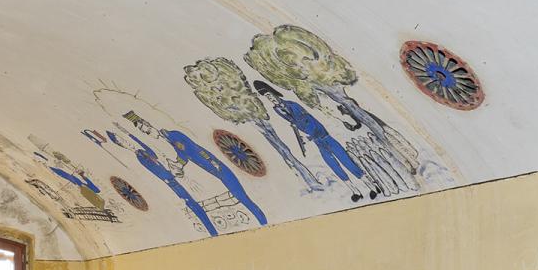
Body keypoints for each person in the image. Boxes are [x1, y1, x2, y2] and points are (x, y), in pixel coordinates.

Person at [125, 112, 267, 227]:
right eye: (145, 132)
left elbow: (194, 148)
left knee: (240, 195)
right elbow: (183, 156)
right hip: (204, 170)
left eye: (147, 129)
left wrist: (212, 161)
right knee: (232, 196)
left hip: (214, 166)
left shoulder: (174, 135)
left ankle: (262, 220)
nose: (149, 133)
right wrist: (178, 166)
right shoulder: (167, 142)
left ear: (149, 124)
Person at [251, 79, 366, 191]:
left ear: (275, 94)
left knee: (345, 159)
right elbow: (292, 121)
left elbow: (306, 120)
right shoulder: (277, 109)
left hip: (322, 135)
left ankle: (369, 184)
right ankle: (354, 190)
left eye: (270, 96)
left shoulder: (292, 104)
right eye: (268, 98)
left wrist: (306, 131)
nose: (271, 99)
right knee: (332, 164)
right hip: (316, 141)